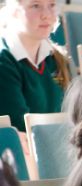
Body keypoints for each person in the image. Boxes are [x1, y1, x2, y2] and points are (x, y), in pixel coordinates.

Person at [0, 0, 71, 134]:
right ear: (14, 10)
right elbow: (19, 128)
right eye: (35, 5)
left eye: (52, 5)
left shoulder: (57, 58)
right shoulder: (4, 61)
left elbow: (70, 116)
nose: (46, 15)